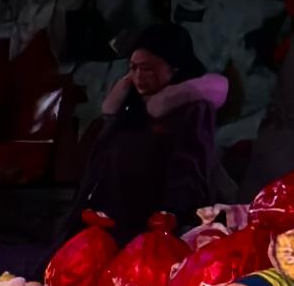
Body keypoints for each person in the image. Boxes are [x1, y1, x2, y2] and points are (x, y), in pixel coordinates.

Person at [71, 21, 229, 234]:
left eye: (148, 69)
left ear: (174, 67)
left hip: (154, 224)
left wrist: (171, 212)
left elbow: (190, 168)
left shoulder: (191, 110)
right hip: (111, 218)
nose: (139, 76)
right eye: (133, 68)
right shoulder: (129, 105)